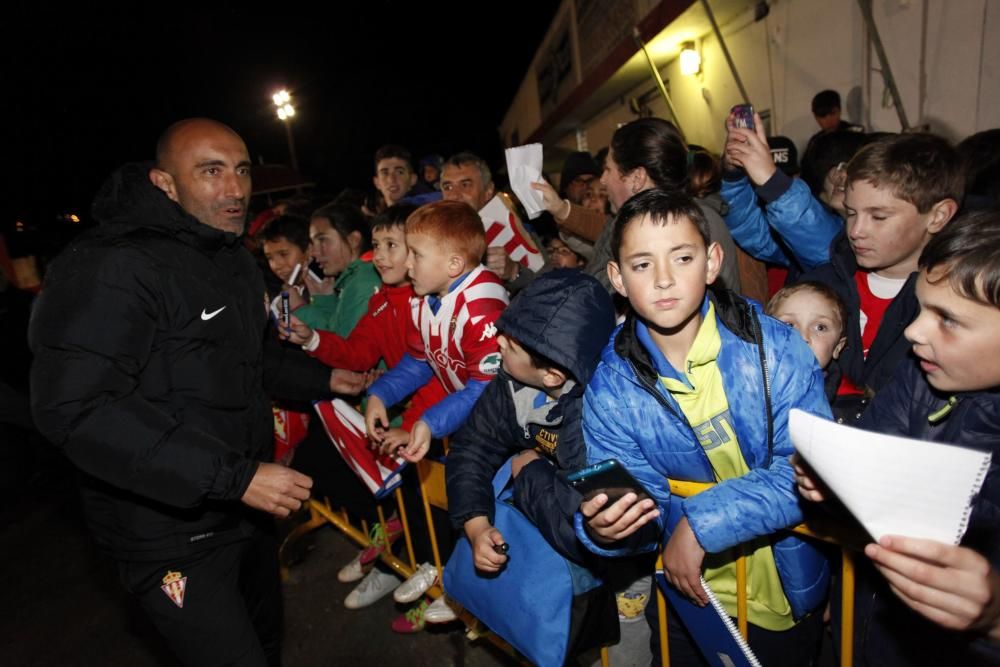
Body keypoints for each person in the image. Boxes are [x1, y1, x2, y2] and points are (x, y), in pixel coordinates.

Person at [29, 118, 322, 666]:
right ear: (166, 184)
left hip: (243, 511)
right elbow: (77, 408)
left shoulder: (233, 256)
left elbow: (252, 361)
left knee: (267, 647)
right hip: (167, 533)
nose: (234, 189)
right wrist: (236, 477)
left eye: (240, 171)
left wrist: (332, 380)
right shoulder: (111, 264)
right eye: (211, 172)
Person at [576, 189, 832, 665]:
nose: (665, 279)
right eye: (642, 264)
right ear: (617, 278)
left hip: (781, 593)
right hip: (684, 597)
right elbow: (637, 503)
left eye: (683, 257)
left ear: (713, 262)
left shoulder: (775, 349)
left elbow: (810, 472)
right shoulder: (610, 386)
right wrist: (606, 529)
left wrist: (698, 524)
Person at [795, 209, 1000, 666]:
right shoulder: (920, 376)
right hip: (877, 632)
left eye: (947, 319)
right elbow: (870, 467)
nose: (913, 331)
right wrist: (833, 484)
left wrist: (995, 617)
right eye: (921, 307)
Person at [445, 269, 619, 660]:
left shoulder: (600, 419)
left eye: (511, 341)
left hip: (612, 588)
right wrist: (475, 523)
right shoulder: (514, 383)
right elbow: (473, 446)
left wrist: (531, 473)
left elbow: (588, 528)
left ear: (553, 374)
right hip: (543, 564)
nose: (497, 339)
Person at [798, 133, 963, 421]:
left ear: (938, 216)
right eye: (851, 213)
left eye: (879, 217)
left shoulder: (959, 309)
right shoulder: (817, 287)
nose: (856, 231)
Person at [364, 199, 508, 464]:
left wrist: (430, 422)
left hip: (504, 430)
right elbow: (420, 361)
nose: (407, 264)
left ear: (454, 265)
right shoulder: (423, 297)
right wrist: (381, 394)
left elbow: (486, 389)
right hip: (470, 421)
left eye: (416, 254)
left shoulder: (482, 308)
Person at [533, 117, 743, 295]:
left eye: (608, 170)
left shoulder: (688, 224)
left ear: (637, 178)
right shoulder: (633, 220)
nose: (603, 180)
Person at [440, 151, 545, 291]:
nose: (454, 195)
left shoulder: (516, 231)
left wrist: (514, 271)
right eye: (448, 187)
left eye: (465, 185)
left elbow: (548, 280)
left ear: (488, 190)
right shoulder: (434, 236)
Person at [291, 203, 381, 337]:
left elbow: (343, 347)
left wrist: (299, 308)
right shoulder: (355, 278)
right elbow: (337, 325)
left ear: (353, 240)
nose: (314, 252)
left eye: (322, 240)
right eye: (313, 242)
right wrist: (324, 300)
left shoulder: (363, 282)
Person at [767, 281, 848, 401]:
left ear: (837, 348)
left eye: (820, 327)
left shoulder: (846, 407)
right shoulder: (741, 380)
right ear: (765, 332)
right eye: (789, 324)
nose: (803, 337)